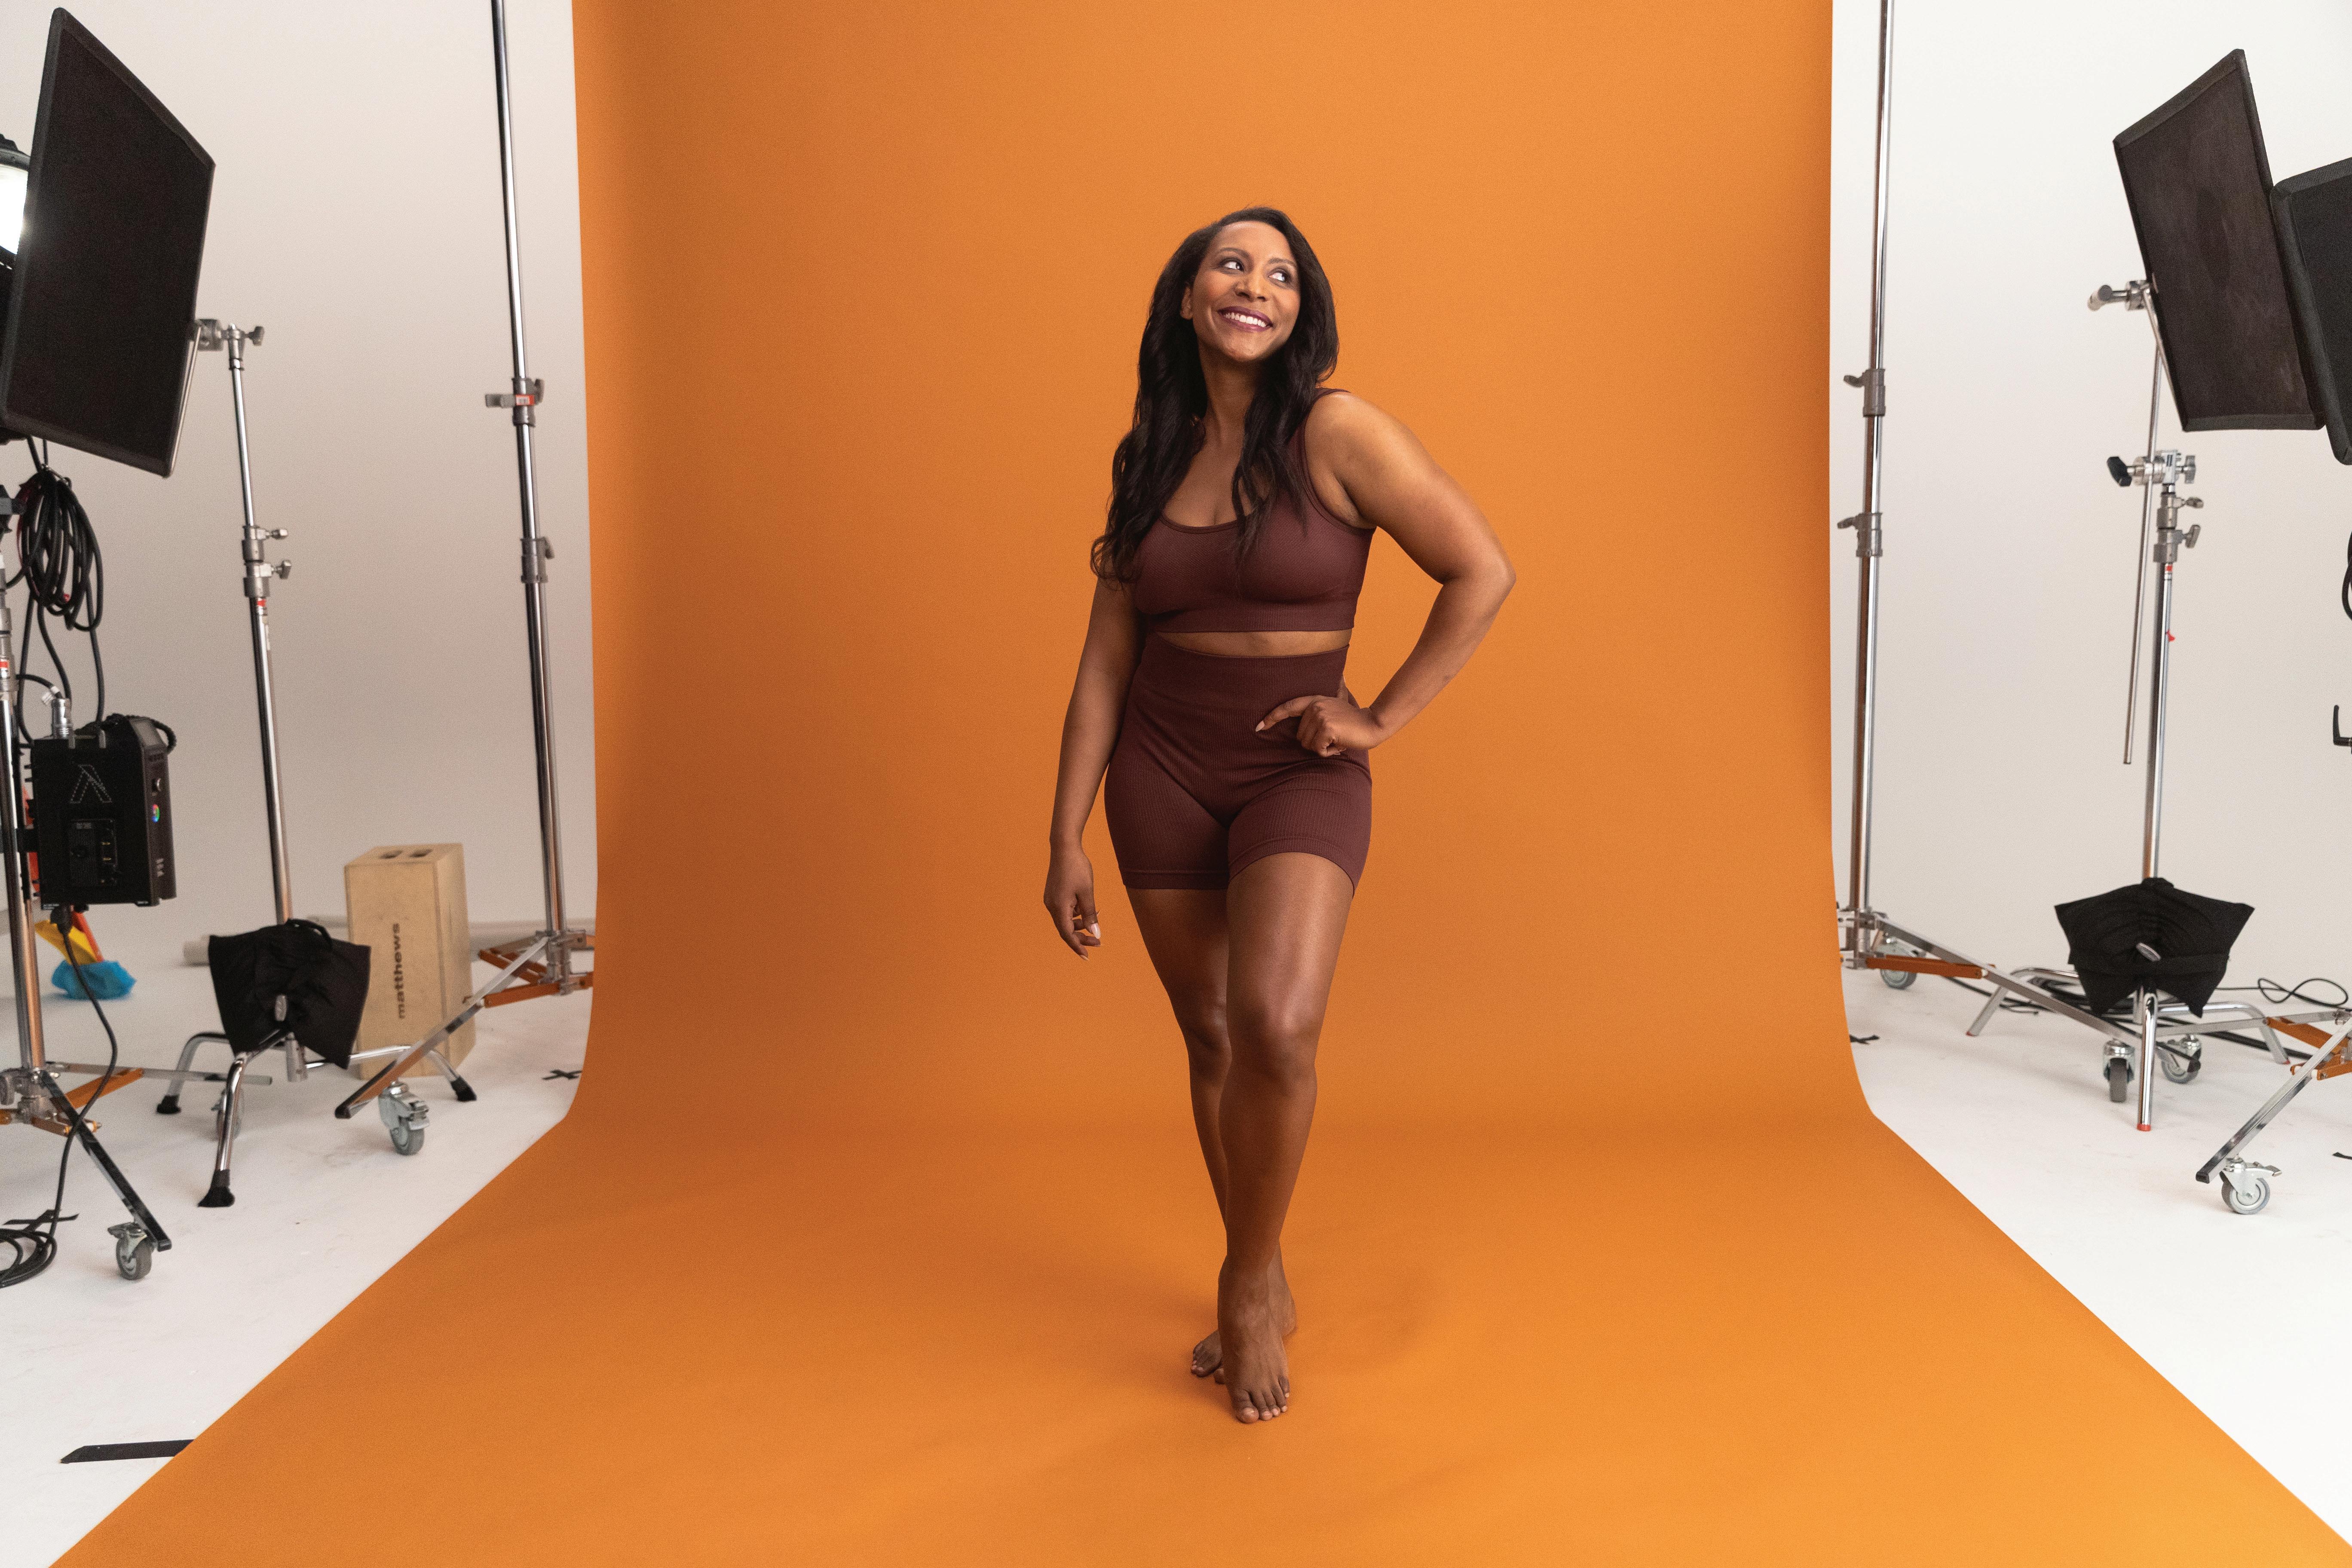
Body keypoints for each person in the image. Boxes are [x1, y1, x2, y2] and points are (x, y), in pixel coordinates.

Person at [1043, 207, 1515, 1424]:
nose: (1256, 285)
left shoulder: (1337, 432)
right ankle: (1260, 1257)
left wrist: (1380, 716)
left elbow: (1481, 568)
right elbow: (1105, 660)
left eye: (1282, 275)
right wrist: (1064, 833)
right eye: (1232, 265)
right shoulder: (1150, 454)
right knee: (1210, 1036)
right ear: (1188, 296)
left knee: (1277, 1023)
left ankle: (1246, 1281)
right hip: (1159, 768)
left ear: (1302, 310)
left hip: (1294, 769)